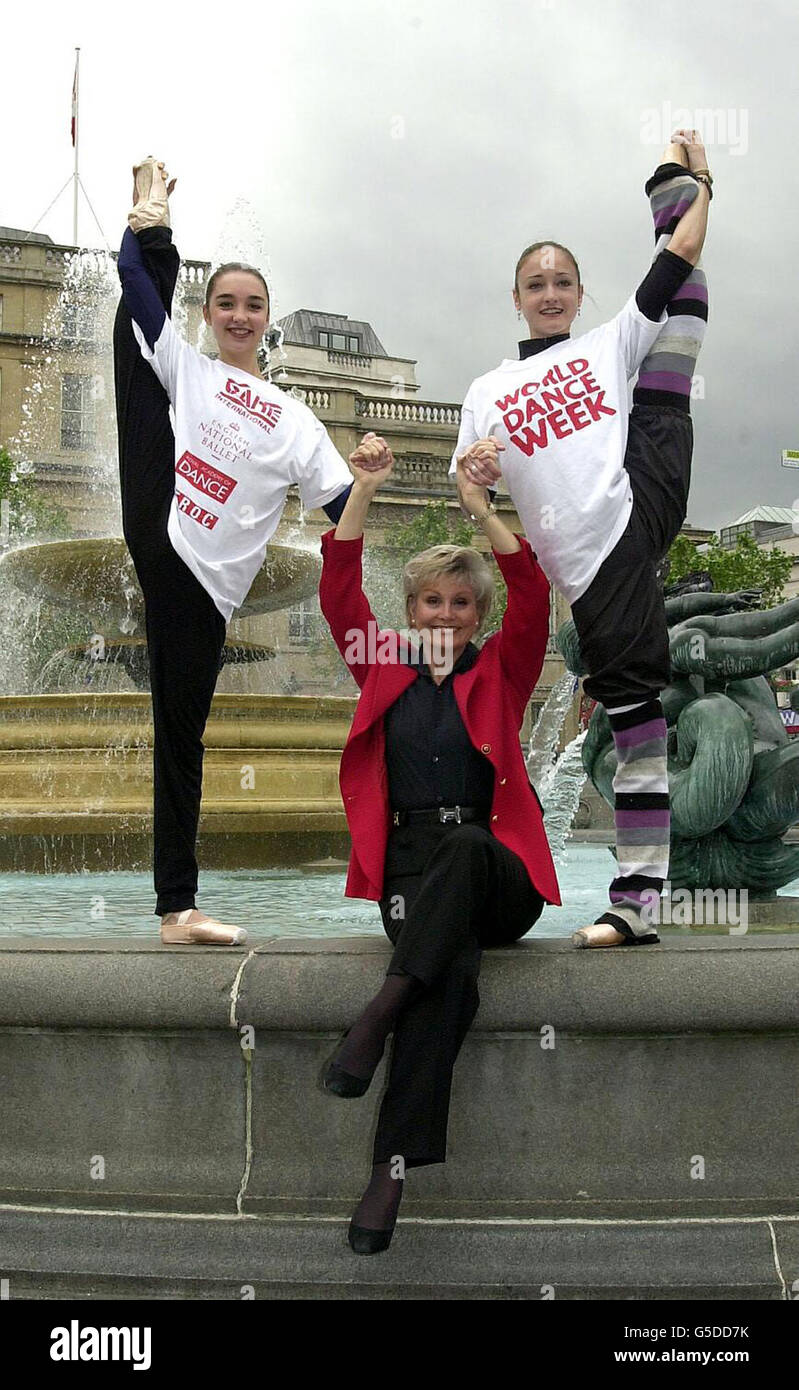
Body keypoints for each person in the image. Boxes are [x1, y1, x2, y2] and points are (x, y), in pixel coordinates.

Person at [452, 129, 712, 948]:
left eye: (563, 280)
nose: (552, 291)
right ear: (517, 297)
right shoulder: (488, 389)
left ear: (578, 289)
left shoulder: (603, 345)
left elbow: (680, 264)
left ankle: (636, 902)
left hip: (634, 499)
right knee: (630, 701)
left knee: (633, 705)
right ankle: (638, 897)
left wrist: (695, 184)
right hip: (589, 556)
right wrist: (478, 469)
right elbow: (470, 489)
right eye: (537, 283)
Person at [113, 157, 369, 944]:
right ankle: (154, 219)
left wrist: (367, 478)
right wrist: (146, 228)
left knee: (178, 738)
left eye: (251, 304)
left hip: (206, 588)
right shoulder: (189, 369)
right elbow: (133, 288)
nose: (237, 314)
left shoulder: (294, 420)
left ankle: (175, 910)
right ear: (210, 311)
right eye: (224, 301)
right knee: (134, 336)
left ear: (268, 319)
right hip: (163, 525)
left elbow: (339, 512)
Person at [318, 432, 560, 1253]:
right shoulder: (377, 664)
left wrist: (480, 511)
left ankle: (379, 1008)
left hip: (498, 875)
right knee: (445, 976)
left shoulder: (504, 671)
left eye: (461, 604)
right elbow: (338, 588)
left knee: (461, 860)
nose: (447, 616)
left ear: (476, 616)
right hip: (408, 877)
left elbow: (532, 592)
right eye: (433, 602)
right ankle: (389, 1170)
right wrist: (363, 488)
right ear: (410, 610)